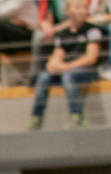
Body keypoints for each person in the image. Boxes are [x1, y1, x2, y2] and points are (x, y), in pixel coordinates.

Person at [28, 0, 103, 130]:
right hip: (67, 71)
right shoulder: (62, 34)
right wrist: (55, 66)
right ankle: (36, 118)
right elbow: (55, 59)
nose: (83, 11)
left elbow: (91, 58)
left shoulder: (92, 30)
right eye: (78, 8)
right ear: (68, 11)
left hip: (87, 71)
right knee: (44, 77)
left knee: (68, 76)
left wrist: (66, 67)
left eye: (85, 8)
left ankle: (77, 116)